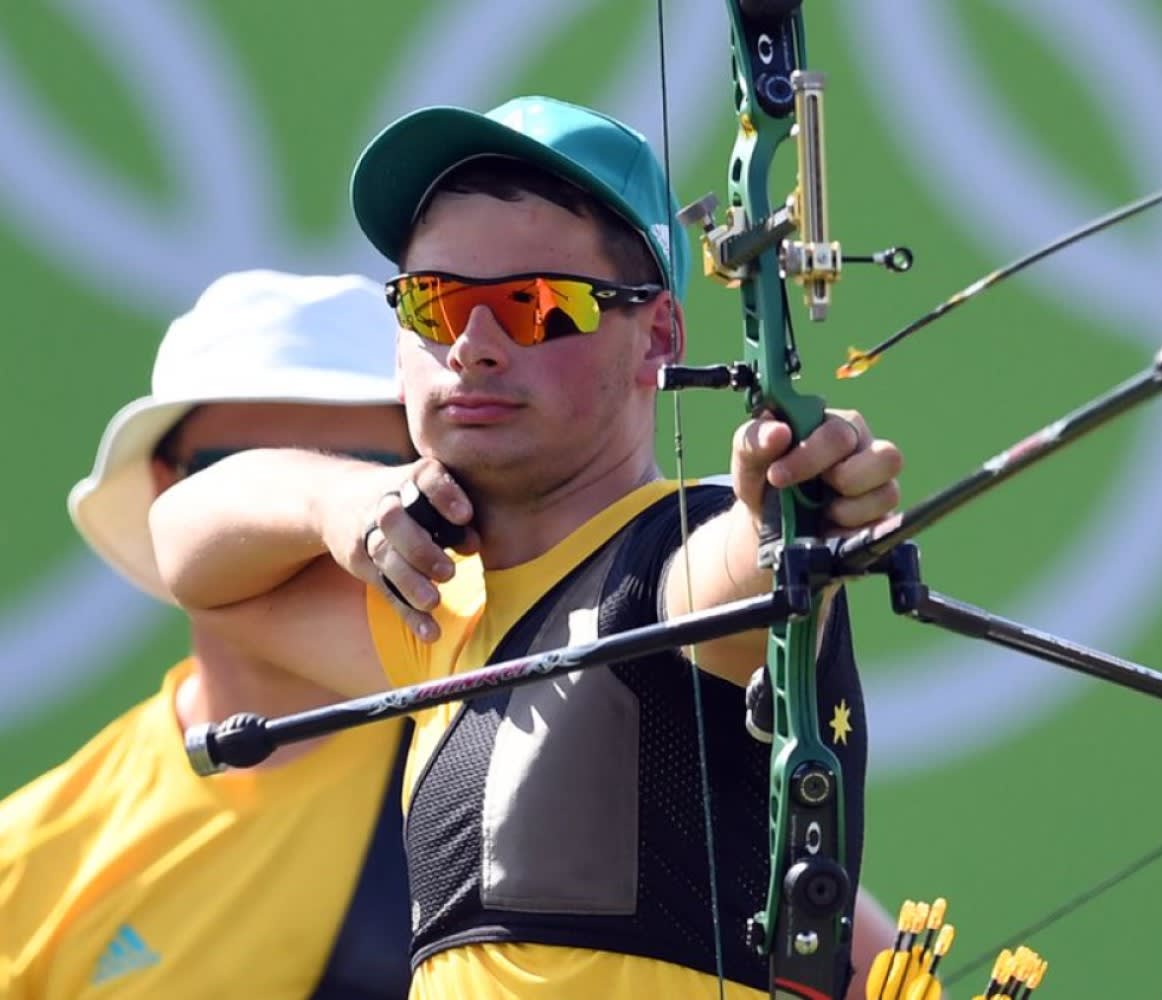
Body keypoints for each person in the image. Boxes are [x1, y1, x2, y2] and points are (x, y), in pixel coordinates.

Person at [152, 97, 904, 999]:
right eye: (434, 303)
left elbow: (753, 558)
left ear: (659, 337)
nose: (472, 347)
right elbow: (192, 562)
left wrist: (802, 500)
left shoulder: (673, 571)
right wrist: (340, 500)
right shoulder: (439, 609)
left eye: (535, 306)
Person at [0, 271, 416, 998]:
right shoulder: (27, 865)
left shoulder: (532, 754)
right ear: (168, 492)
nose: (300, 526)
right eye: (240, 484)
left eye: (358, 479)